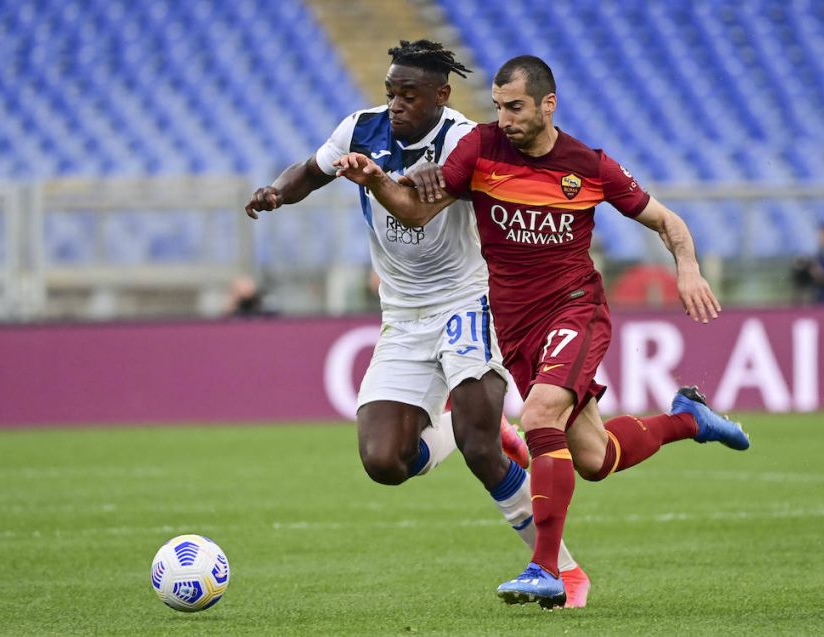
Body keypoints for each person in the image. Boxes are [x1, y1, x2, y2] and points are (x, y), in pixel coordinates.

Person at [334, 54, 750, 608]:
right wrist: (377, 180)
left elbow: (665, 220)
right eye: (499, 107)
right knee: (595, 458)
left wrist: (689, 267)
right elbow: (414, 212)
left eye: (515, 107)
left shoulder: (590, 165)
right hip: (514, 324)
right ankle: (687, 419)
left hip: (574, 310)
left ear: (547, 105)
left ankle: (545, 569)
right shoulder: (480, 149)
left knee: (537, 419)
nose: (503, 118)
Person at [244, 41, 590, 605]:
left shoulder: (462, 138)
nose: (396, 104)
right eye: (391, 93)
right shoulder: (361, 129)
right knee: (384, 462)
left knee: (483, 451)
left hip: (469, 301)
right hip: (402, 314)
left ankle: (563, 572)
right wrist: (277, 194)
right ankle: (460, 424)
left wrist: (412, 179)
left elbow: (441, 190)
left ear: (441, 95)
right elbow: (310, 170)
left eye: (409, 95)